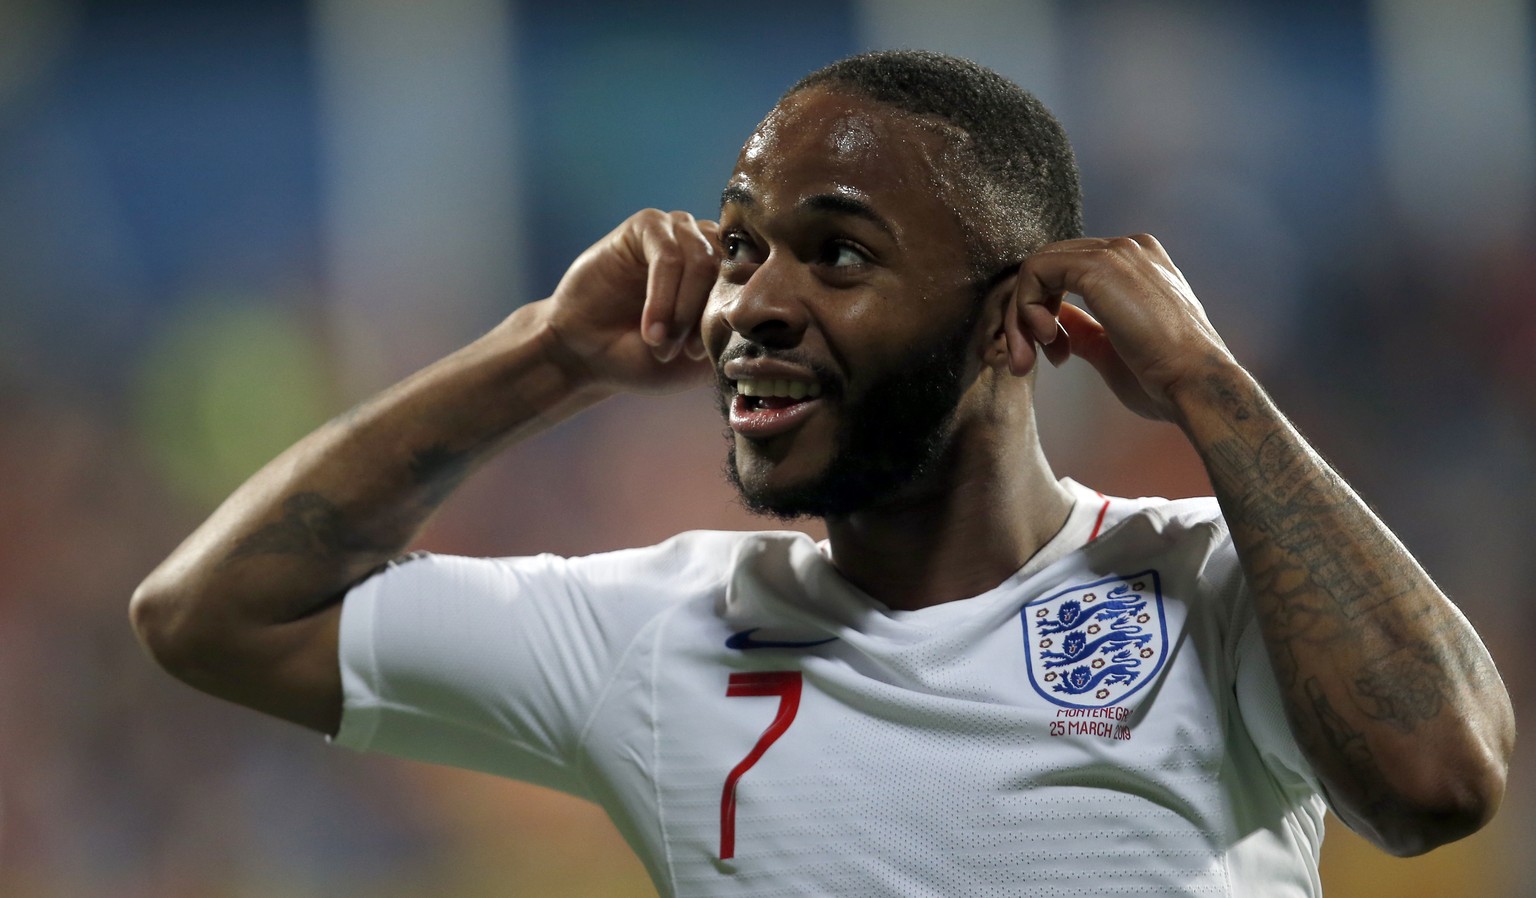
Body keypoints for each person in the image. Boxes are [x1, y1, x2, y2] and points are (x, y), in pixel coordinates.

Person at [131, 51, 1513, 896]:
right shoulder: (658, 630)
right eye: (741, 249)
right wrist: (544, 353)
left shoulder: (1210, 573)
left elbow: (1442, 778)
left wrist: (1216, 390)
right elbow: (207, 615)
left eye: (836, 254)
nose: (753, 304)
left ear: (1011, 319)